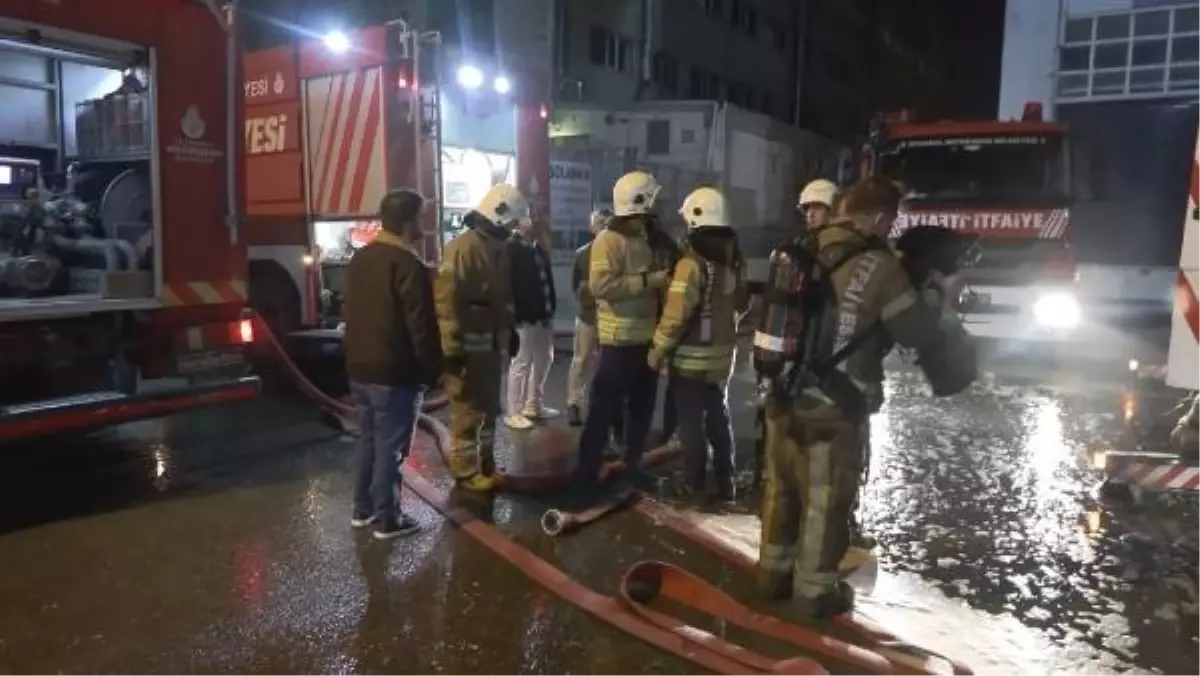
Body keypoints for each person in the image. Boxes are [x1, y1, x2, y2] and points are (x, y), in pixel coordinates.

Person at [753, 176, 977, 618]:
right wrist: (938, 296)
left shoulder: (801, 246)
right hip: (835, 404)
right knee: (825, 499)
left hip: (782, 393)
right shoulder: (880, 265)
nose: (890, 230)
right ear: (878, 217)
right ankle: (814, 594)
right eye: (890, 221)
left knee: (782, 490)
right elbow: (914, 332)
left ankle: (772, 576)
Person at [343, 189, 442, 539]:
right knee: (392, 447)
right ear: (408, 221)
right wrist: (433, 369)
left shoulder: (361, 259)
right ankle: (388, 519)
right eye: (422, 217)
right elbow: (421, 325)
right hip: (394, 371)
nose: (425, 225)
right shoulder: (407, 265)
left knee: (368, 440)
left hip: (360, 368)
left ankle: (363, 509)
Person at [572, 170, 671, 495]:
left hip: (646, 341)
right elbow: (601, 286)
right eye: (651, 199)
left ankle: (632, 466)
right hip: (619, 343)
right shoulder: (608, 240)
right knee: (604, 411)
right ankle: (585, 474)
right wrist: (649, 281)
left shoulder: (645, 237)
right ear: (638, 202)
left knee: (641, 410)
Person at [648, 187, 748, 501]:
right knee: (719, 418)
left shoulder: (691, 264)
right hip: (721, 361)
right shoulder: (734, 260)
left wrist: (657, 351)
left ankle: (693, 483)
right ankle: (725, 479)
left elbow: (676, 315)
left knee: (691, 425)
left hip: (690, 361)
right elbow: (741, 304)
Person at [435, 183, 526, 494]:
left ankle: (485, 464)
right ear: (499, 217)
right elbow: (446, 302)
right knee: (466, 411)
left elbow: (503, 298)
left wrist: (509, 331)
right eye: (513, 223)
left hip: (489, 348)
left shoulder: (497, 248)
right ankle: (465, 471)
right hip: (468, 350)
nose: (515, 229)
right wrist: (451, 348)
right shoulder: (463, 248)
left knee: (488, 410)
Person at [505, 213, 558, 430]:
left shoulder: (536, 249)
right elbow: (512, 285)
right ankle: (514, 411)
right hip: (524, 317)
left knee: (544, 357)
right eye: (528, 218)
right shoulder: (512, 249)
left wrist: (548, 311)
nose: (534, 222)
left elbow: (545, 282)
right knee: (522, 361)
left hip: (541, 315)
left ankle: (533, 404)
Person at [645, 208, 684, 446]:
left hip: (652, 321)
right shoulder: (669, 246)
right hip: (658, 320)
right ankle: (668, 433)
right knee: (668, 383)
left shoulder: (656, 247)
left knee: (647, 382)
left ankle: (640, 434)